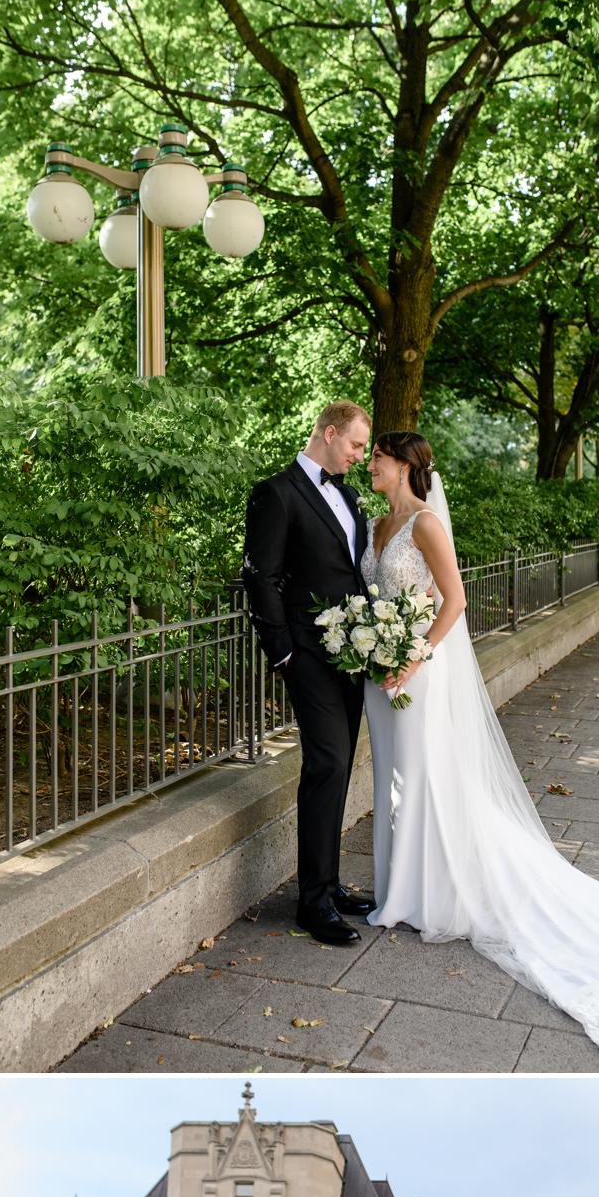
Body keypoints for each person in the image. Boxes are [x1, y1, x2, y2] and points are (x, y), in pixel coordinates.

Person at [359, 432, 599, 1071]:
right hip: (379, 673)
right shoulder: (378, 523)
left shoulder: (428, 525)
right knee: (395, 779)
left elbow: (455, 601)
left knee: (428, 778)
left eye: (379, 456)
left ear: (405, 465)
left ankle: (426, 896)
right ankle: (400, 889)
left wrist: (413, 655)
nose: (371, 464)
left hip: (418, 671)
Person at [242, 400, 375, 948]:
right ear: (329, 433)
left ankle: (329, 883)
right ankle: (312, 904)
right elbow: (260, 577)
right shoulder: (276, 493)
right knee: (328, 762)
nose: (360, 457)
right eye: (355, 445)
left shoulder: (347, 495)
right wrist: (283, 655)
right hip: (307, 655)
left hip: (352, 654)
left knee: (340, 768)